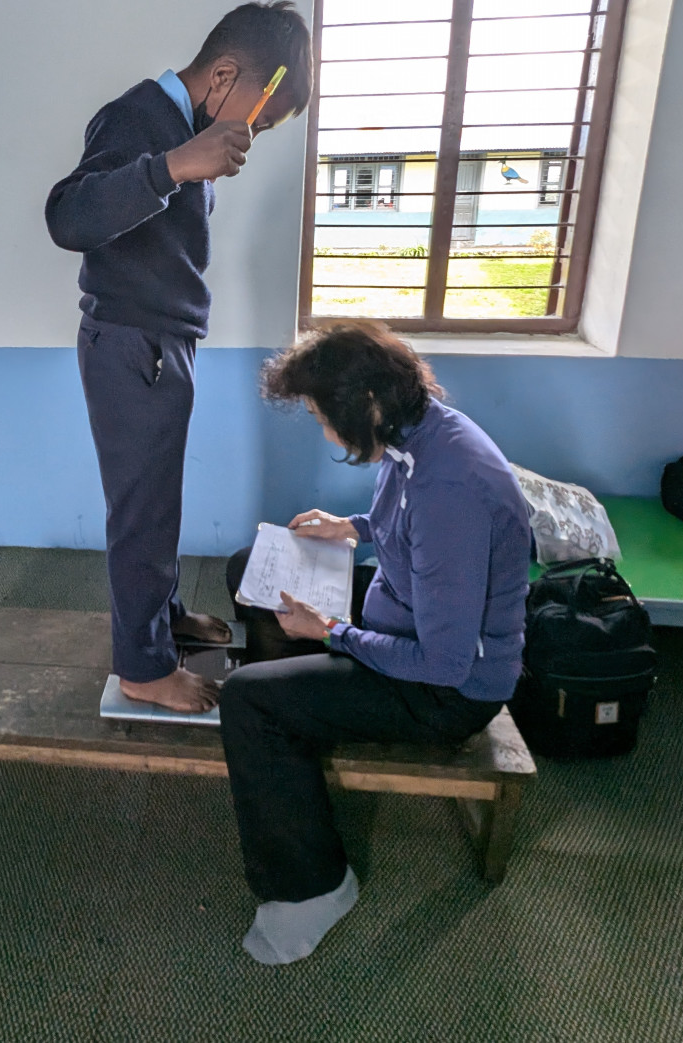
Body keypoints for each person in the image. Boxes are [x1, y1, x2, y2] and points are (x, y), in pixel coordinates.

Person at [220, 322, 531, 964]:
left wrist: (331, 632)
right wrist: (351, 527)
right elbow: (405, 528)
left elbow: (443, 663)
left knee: (247, 701)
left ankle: (313, 887)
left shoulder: (452, 489)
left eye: (322, 417)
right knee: (249, 570)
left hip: (444, 692)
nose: (325, 432)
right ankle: (294, 736)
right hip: (401, 618)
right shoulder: (422, 430)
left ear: (366, 404)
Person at [45, 1, 312, 713]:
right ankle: (143, 667)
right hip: (132, 344)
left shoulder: (179, 127)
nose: (251, 138)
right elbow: (67, 216)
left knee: (158, 501)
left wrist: (182, 164)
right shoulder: (137, 120)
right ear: (222, 77)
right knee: (141, 513)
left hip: (163, 342)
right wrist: (172, 167)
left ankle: (161, 618)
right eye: (257, 121)